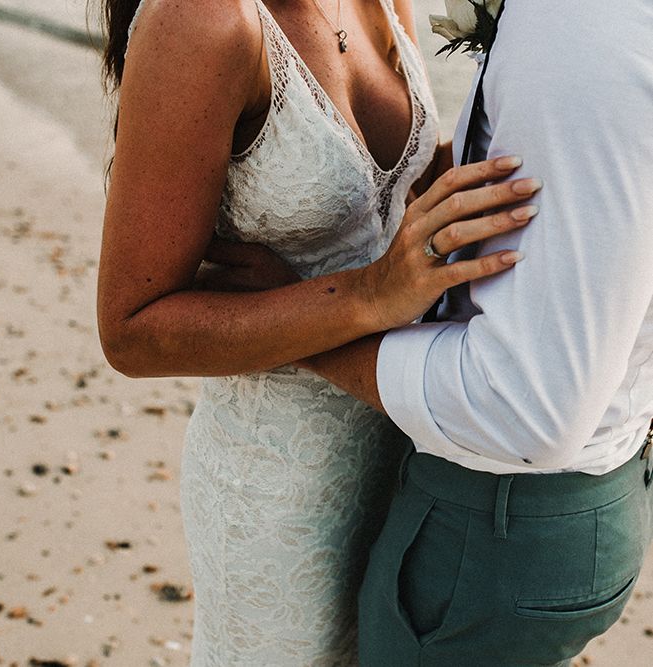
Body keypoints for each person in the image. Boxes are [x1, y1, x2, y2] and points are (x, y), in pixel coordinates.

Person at [94, 0, 540, 663]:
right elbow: (132, 330)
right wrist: (366, 294)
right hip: (280, 488)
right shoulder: (200, 21)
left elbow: (385, 203)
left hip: (410, 444)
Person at [248, 1, 651, 665]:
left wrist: (300, 320)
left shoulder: (581, 24)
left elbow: (525, 409)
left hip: (493, 530)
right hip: (587, 497)